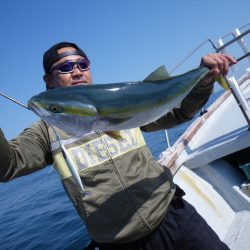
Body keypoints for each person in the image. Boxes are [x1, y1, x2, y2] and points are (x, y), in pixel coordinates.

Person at [0, 42, 236, 250]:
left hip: (174, 216)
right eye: (65, 67)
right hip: (121, 244)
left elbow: (181, 112)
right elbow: (8, 165)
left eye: (82, 64)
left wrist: (204, 81)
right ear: (49, 80)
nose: (77, 72)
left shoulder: (124, 101)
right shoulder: (45, 131)